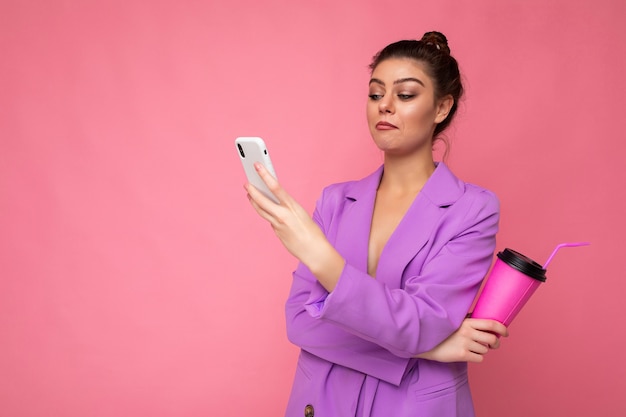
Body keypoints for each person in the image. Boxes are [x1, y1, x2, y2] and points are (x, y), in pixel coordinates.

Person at [244, 31, 508, 417]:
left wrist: (320, 257)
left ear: (441, 107)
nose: (384, 106)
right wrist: (428, 348)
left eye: (404, 95)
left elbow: (424, 321)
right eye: (374, 94)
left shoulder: (472, 210)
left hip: (412, 407)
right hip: (323, 399)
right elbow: (300, 322)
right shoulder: (335, 200)